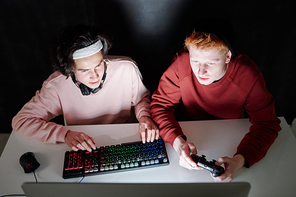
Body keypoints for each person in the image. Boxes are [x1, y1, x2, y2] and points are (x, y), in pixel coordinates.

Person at [149, 30, 281, 182]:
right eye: (195, 61)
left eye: (210, 63)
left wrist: (239, 161)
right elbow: (160, 106)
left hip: (231, 136)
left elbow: (267, 123)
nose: (200, 71)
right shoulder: (181, 61)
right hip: (187, 134)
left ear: (227, 57)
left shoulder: (246, 72)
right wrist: (178, 143)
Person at [12, 24, 159, 152]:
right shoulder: (56, 85)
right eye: (84, 70)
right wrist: (64, 134)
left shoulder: (127, 68)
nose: (95, 76)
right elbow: (21, 121)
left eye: (98, 65)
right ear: (70, 70)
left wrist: (145, 116)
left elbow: (141, 99)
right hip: (84, 144)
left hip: (128, 138)